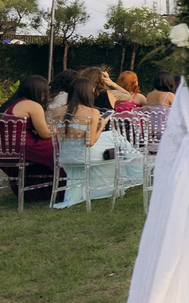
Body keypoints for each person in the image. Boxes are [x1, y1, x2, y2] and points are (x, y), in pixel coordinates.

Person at [54, 78, 142, 208]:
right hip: (85, 155)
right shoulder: (92, 112)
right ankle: (138, 161)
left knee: (113, 138)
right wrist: (102, 125)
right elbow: (90, 142)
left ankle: (135, 160)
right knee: (115, 138)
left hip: (64, 156)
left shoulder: (57, 111)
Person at [0, 75, 59, 202]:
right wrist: (54, 129)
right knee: (56, 144)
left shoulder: (10, 103)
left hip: (3, 150)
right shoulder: (33, 105)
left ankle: (34, 188)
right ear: (39, 92)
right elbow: (45, 134)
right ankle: (54, 186)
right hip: (23, 149)